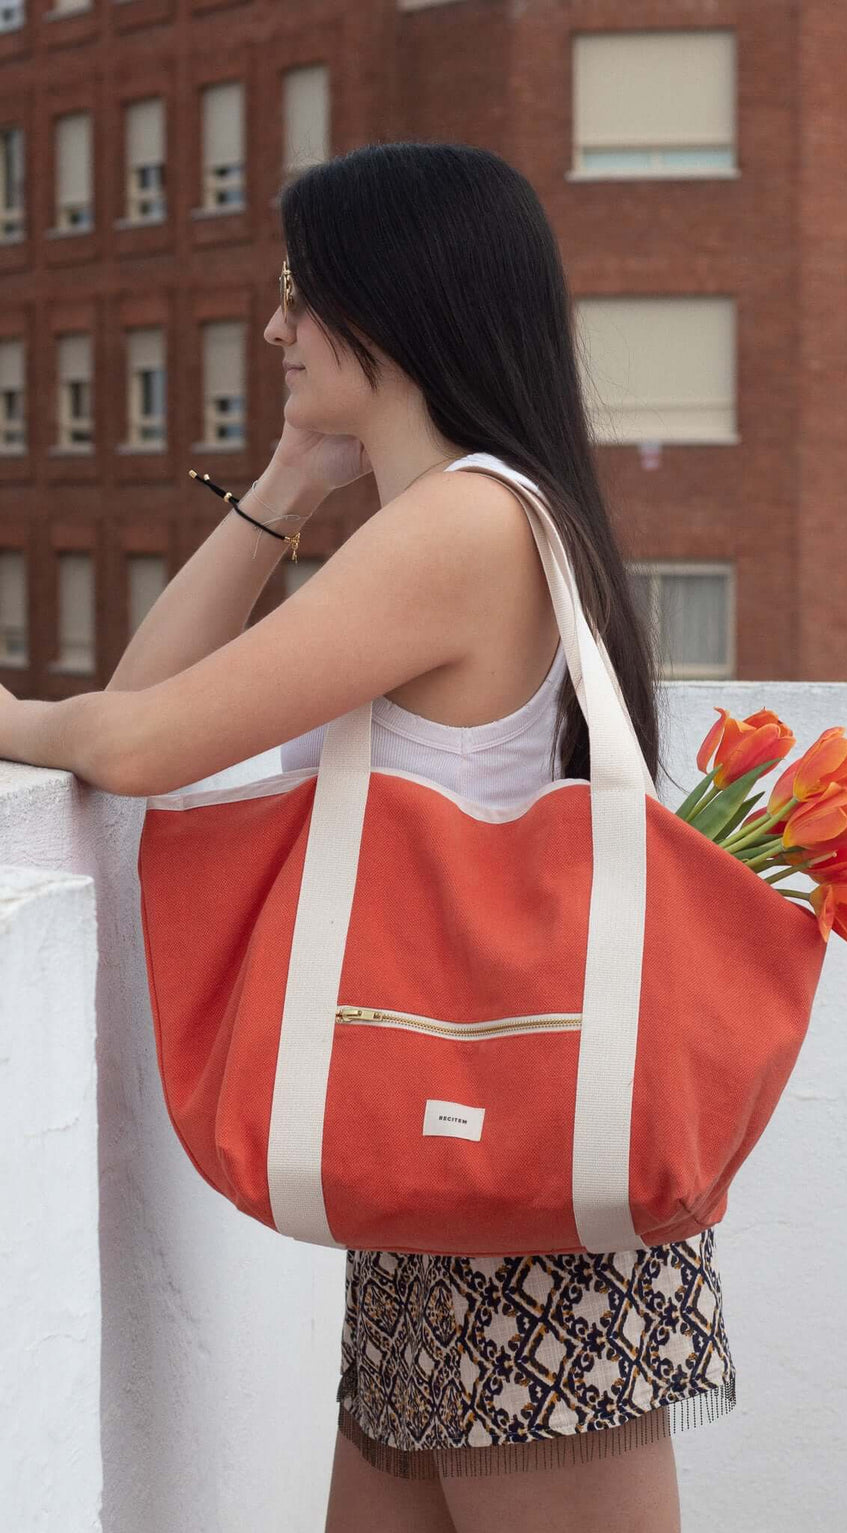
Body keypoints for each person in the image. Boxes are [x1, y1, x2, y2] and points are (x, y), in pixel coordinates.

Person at [0, 141, 735, 1532]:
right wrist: (291, 477)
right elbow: (148, 703)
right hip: (457, 1180)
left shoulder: (461, 525)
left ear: (389, 305)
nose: (275, 327)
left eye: (301, 294)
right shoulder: (468, 516)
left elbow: (137, 741)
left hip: (516, 1219)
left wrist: (15, 719)